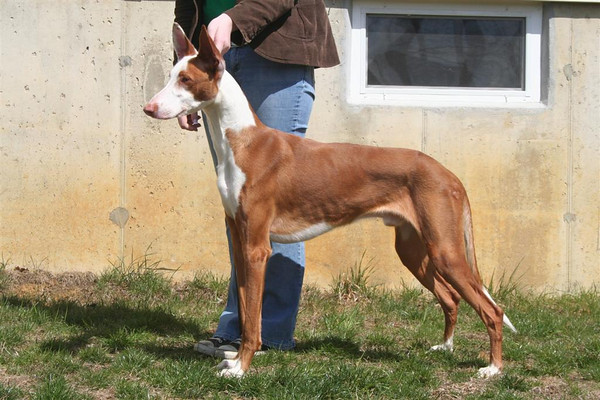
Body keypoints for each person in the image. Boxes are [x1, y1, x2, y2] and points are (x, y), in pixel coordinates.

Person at [174, 0, 339, 359]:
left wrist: (233, 19)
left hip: (273, 55)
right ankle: (238, 327)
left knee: (278, 206)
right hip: (211, 58)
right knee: (241, 209)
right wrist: (182, 89)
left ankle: (273, 332)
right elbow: (187, 9)